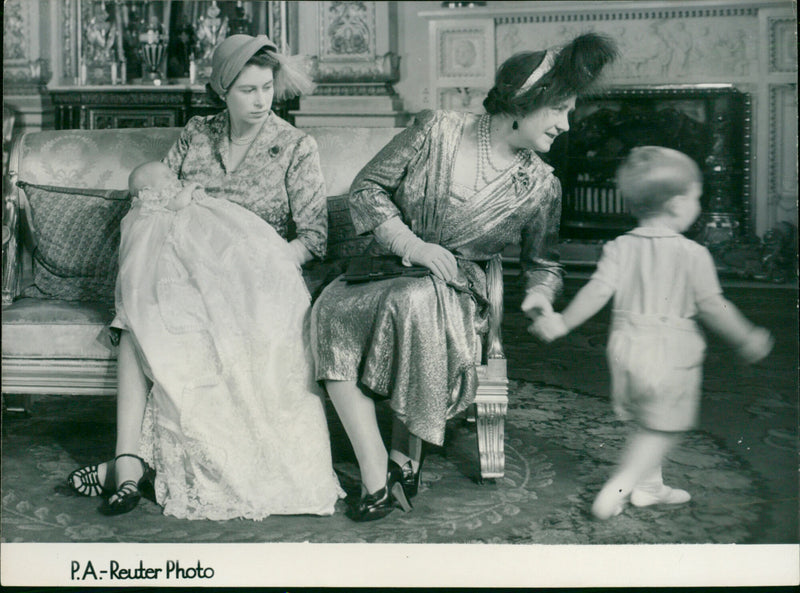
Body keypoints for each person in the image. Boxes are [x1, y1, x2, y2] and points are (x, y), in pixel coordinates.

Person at [311, 33, 619, 521]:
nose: (566, 124)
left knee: (416, 302)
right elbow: (367, 189)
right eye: (559, 109)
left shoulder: (541, 185)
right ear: (524, 102)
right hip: (386, 264)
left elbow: (544, 263)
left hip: (459, 287)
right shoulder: (437, 129)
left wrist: (540, 298)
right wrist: (413, 246)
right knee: (330, 311)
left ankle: (402, 459)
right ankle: (378, 473)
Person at [67, 34, 343, 520]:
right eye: (247, 91)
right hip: (187, 277)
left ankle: (158, 468)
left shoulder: (295, 145)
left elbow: (314, 239)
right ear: (222, 91)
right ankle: (129, 461)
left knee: (165, 321)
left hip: (262, 281)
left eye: (266, 88)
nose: (261, 101)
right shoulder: (197, 133)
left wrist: (257, 265)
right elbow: (153, 200)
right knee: (141, 319)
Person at [530, 146, 774, 519]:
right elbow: (713, 305)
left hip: (625, 349)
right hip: (670, 353)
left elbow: (596, 291)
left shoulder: (619, 247)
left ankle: (649, 487)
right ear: (678, 205)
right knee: (664, 429)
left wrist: (562, 321)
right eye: (697, 197)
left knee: (646, 420)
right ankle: (622, 485)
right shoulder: (693, 254)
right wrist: (745, 336)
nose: (698, 204)